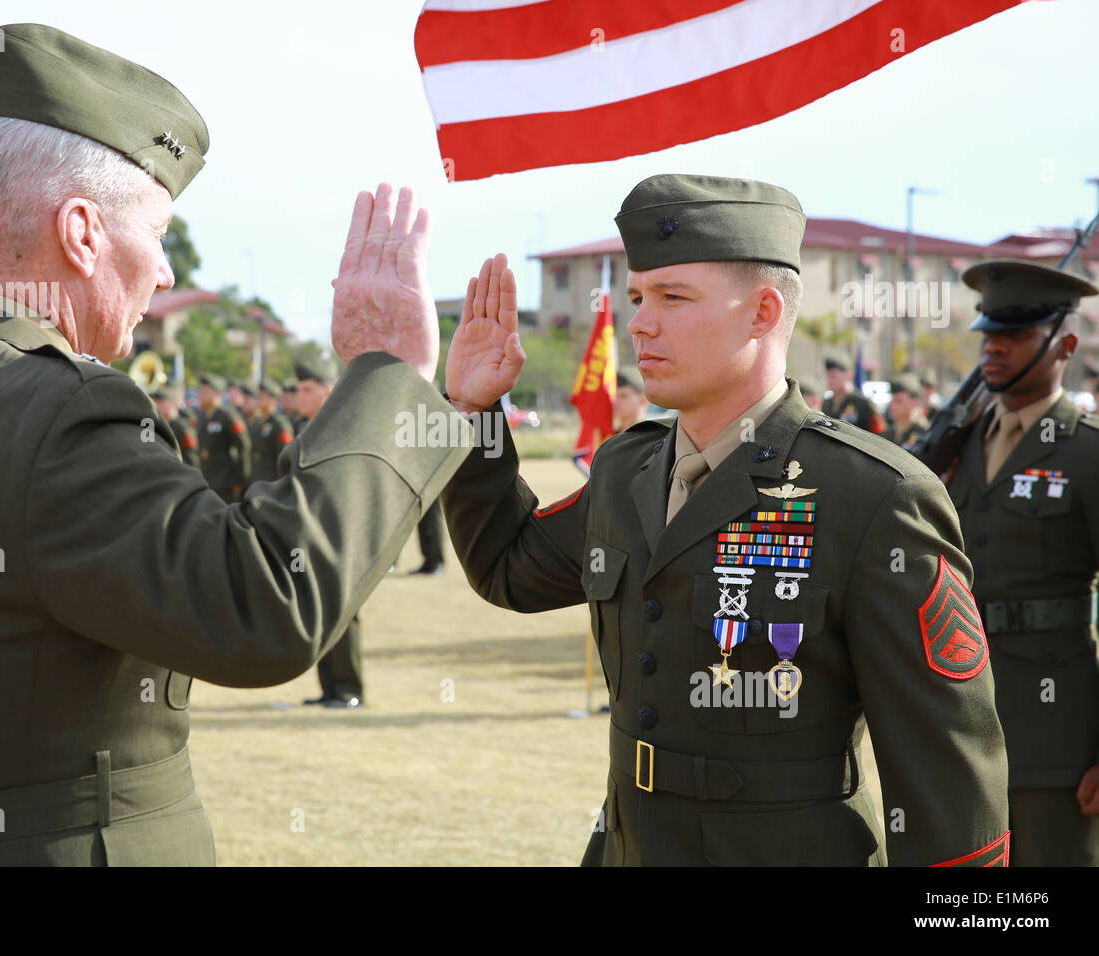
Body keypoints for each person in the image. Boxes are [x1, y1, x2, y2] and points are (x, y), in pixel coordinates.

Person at [0, 23, 466, 866]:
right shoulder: (60, 415)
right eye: (152, 236)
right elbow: (263, 604)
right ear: (81, 233)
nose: (159, 273)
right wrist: (389, 374)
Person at [440, 174, 1010, 866]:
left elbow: (947, 775)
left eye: (673, 298)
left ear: (764, 312)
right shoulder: (628, 469)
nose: (641, 322)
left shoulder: (872, 495)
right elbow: (508, 567)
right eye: (638, 298)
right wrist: (474, 414)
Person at [945, 259, 1099, 866]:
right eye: (987, 331)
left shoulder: (1086, 452)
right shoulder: (957, 445)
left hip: (1055, 727)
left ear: (1064, 345)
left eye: (1015, 333)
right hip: (955, 715)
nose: (994, 346)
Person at [295, 361, 365, 707]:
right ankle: (329, 689)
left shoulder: (343, 427)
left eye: (307, 389)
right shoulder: (303, 429)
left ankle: (350, 691)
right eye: (298, 389)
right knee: (316, 611)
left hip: (340, 534)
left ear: (326, 391)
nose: (299, 396)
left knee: (342, 610)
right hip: (307, 533)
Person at [195, 373, 250, 502]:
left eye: (205, 392)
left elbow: (243, 447)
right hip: (207, 480)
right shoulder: (202, 417)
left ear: (217, 394)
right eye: (200, 392)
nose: (200, 396)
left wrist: (240, 480)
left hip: (226, 483)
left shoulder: (228, 417)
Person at [248, 378, 295, 486]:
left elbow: (285, 457)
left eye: (262, 397)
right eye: (258, 396)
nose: (258, 399)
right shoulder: (257, 422)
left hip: (272, 482)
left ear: (273, 399)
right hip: (257, 479)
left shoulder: (279, 423)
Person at [822, 353, 884, 433]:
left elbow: (879, 435)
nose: (829, 381)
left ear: (849, 375)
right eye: (827, 376)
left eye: (834, 376)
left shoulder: (863, 404)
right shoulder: (827, 403)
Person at [153, 381, 200, 469]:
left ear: (171, 402)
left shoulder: (183, 428)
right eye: (155, 401)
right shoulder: (154, 426)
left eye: (161, 402)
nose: (156, 405)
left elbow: (192, 459)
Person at [883, 373, 929, 450]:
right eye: (892, 401)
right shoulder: (886, 435)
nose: (892, 406)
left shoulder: (924, 436)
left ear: (915, 402)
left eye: (899, 401)